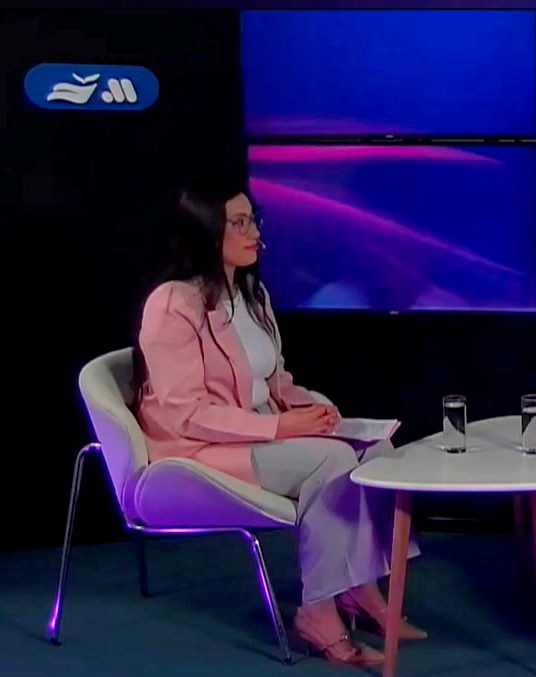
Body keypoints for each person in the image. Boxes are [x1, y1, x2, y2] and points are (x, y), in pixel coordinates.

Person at [132, 181, 426, 667]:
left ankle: (358, 588)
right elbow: (187, 414)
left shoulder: (251, 294)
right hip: (198, 451)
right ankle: (318, 611)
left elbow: (275, 379)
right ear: (208, 232)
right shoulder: (172, 304)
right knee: (333, 461)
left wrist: (316, 410)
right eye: (240, 223)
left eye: (254, 220)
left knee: (374, 451)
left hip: (261, 431)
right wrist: (283, 429)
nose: (255, 233)